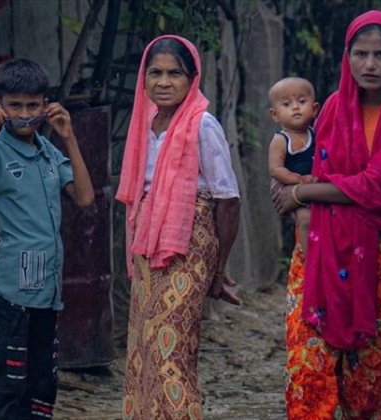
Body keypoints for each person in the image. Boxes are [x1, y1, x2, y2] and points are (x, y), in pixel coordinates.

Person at [272, 10, 381, 419]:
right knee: (308, 363)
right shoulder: (330, 110)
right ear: (347, 57)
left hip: (379, 254)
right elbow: (304, 170)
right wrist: (300, 202)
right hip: (318, 249)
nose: (370, 65)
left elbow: (377, 186)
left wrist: (303, 194)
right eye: (360, 54)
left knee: (370, 375)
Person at [0, 58, 95, 419]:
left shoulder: (49, 152)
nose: (24, 114)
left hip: (46, 293)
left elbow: (84, 197)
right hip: (11, 294)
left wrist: (68, 137)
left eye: (32, 105)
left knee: (41, 386)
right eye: (15, 106)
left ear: (45, 106)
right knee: (7, 384)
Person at [115, 35, 242, 419]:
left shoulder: (202, 124)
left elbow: (228, 199)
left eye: (175, 73)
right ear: (144, 78)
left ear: (193, 78)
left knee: (172, 351)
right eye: (155, 73)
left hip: (188, 242)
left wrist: (218, 269)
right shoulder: (145, 122)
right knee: (143, 349)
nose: (164, 82)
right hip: (146, 244)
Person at [267, 77, 319, 254]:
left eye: (302, 101)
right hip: (293, 189)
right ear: (275, 115)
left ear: (314, 109)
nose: (296, 107)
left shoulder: (316, 133)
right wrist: (297, 180)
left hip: (317, 188)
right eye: (287, 104)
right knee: (305, 220)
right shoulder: (281, 140)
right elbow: (276, 169)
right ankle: (308, 258)